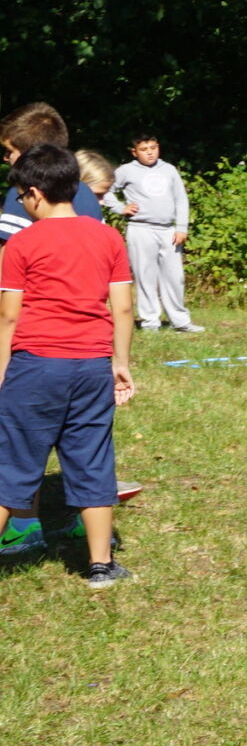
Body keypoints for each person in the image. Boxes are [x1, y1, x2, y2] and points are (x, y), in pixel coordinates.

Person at [0, 146, 137, 587]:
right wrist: (121, 363)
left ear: (35, 193)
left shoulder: (20, 244)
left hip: (35, 367)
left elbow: (8, 317)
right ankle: (101, 566)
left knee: (13, 464)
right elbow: (123, 309)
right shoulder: (108, 237)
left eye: (21, 196)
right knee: (93, 459)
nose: (21, 203)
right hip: (92, 366)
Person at [109, 133, 206, 335]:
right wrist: (120, 207)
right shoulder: (126, 171)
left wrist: (181, 227)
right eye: (144, 149)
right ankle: (150, 321)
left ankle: (180, 320)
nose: (150, 153)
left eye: (153, 147)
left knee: (174, 276)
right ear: (134, 152)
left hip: (168, 229)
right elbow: (106, 191)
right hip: (140, 227)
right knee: (145, 275)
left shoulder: (168, 170)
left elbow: (180, 199)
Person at [0, 103, 107, 242]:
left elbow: (7, 258)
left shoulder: (24, 195)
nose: (5, 158)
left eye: (10, 151)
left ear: (31, 155)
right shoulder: (86, 192)